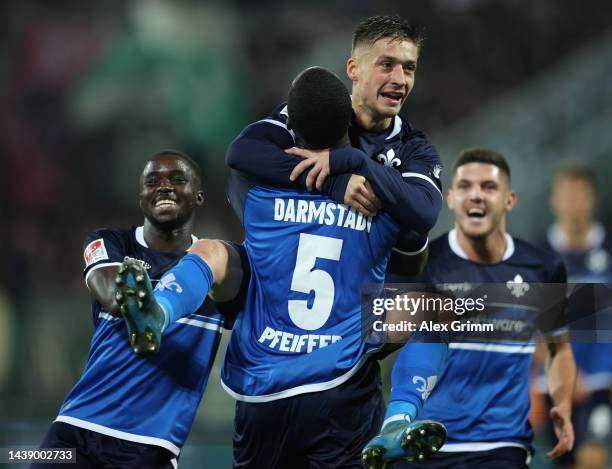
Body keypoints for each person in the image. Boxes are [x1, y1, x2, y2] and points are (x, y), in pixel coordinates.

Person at [116, 65, 447, 468]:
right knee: (437, 310)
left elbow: (242, 151)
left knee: (211, 251)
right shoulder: (379, 205)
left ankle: (161, 309)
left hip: (260, 386)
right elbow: (415, 247)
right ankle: (399, 418)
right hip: (338, 383)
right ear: (348, 121)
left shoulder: (255, 193)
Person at [366, 148, 577, 468]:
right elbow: (380, 338)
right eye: (465, 186)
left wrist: (562, 402)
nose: (476, 195)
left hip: (503, 443)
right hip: (426, 442)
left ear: (509, 199)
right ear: (450, 198)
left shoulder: (543, 267)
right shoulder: (424, 265)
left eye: (489, 187)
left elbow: (560, 349)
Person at [32, 151, 234, 469]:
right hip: (73, 432)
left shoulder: (215, 269)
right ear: (141, 198)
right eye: (152, 182)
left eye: (176, 180)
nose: (164, 187)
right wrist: (136, 298)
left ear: (199, 196)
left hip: (151, 448)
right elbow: (110, 291)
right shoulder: (111, 242)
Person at [543, 165, 612, 469]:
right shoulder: (537, 256)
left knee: (593, 458)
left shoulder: (609, 249)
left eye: (579, 196)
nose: (573, 204)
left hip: (601, 383)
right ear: (554, 201)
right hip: (554, 388)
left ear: (593, 199)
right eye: (566, 196)